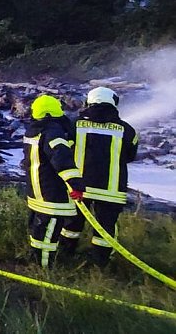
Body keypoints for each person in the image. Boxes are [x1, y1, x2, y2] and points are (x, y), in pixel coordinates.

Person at [59, 87, 138, 266]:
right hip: (112, 191)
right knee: (105, 229)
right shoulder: (127, 130)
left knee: (72, 223)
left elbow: (64, 151)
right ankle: (100, 264)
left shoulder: (75, 125)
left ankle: (65, 255)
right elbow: (131, 156)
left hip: (79, 187)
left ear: (89, 102)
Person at [22, 94, 85, 268]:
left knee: (39, 231)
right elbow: (61, 158)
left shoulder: (32, 131)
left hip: (35, 191)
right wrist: (76, 183)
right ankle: (43, 271)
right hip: (51, 194)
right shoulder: (52, 132)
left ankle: (35, 262)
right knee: (48, 235)